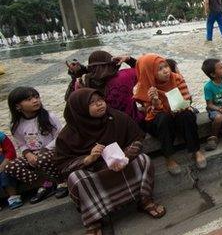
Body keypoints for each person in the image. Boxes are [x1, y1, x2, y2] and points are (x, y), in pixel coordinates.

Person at [55, 89, 165, 235]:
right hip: (95, 173)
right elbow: (63, 166)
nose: (99, 104)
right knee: (76, 179)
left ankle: (145, 200)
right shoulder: (68, 135)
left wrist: (125, 157)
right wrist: (88, 159)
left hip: (122, 166)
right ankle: (93, 221)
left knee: (143, 160)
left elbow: (137, 139)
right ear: (80, 109)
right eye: (92, 103)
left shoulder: (117, 118)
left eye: (100, 99)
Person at [133, 54, 205, 175]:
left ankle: (196, 150)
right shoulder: (144, 87)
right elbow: (152, 113)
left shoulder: (176, 78)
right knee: (163, 118)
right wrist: (155, 101)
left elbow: (186, 99)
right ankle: (169, 157)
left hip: (177, 113)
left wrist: (182, 106)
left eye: (165, 66)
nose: (166, 71)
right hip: (159, 120)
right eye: (159, 69)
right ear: (149, 72)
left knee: (186, 115)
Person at [5, 87, 67, 204]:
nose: (35, 100)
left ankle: (61, 181)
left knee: (42, 158)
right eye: (29, 99)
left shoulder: (49, 117)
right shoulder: (16, 125)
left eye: (36, 97)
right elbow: (21, 144)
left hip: (53, 151)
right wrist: (27, 154)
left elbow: (60, 136)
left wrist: (45, 149)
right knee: (11, 167)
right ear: (17, 106)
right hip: (34, 155)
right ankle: (44, 184)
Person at [67, 51, 143, 123]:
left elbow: (69, 99)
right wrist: (129, 59)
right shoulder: (125, 76)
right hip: (132, 123)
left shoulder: (84, 83)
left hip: (103, 128)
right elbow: (142, 70)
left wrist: (77, 73)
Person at [0, 131, 22, 209]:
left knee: (5, 172)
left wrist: (4, 163)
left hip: (4, 162)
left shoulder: (1, 136)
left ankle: (13, 197)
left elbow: (11, 151)